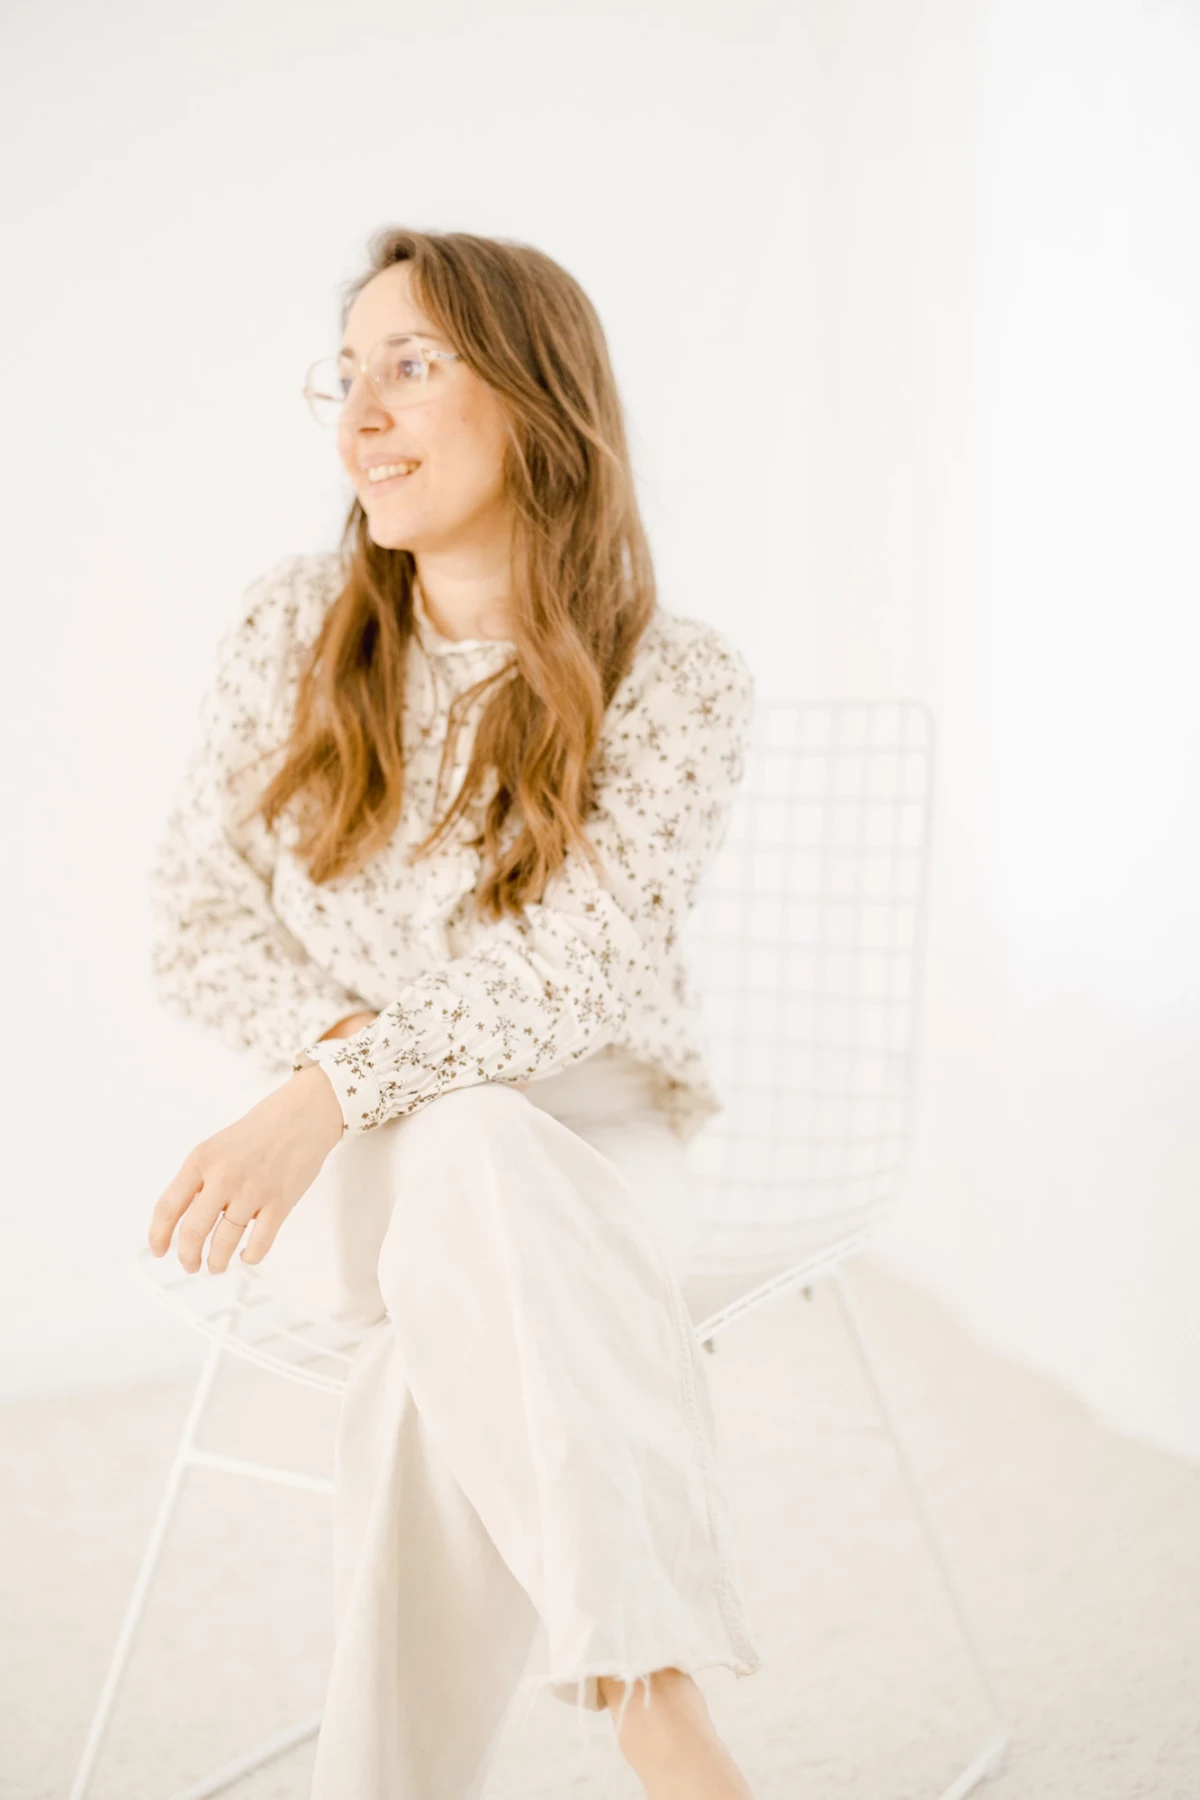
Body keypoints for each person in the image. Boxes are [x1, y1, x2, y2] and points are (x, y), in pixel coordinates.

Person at [145, 225, 762, 1800]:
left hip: (591, 1136)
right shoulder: (292, 629)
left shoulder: (676, 678)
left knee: (441, 1342)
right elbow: (194, 923)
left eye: (410, 367)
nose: (360, 418)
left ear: (537, 400)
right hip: (347, 1157)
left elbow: (579, 971)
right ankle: (653, 1690)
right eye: (346, 375)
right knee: (461, 1148)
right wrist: (347, 1081)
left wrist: (327, 1090)